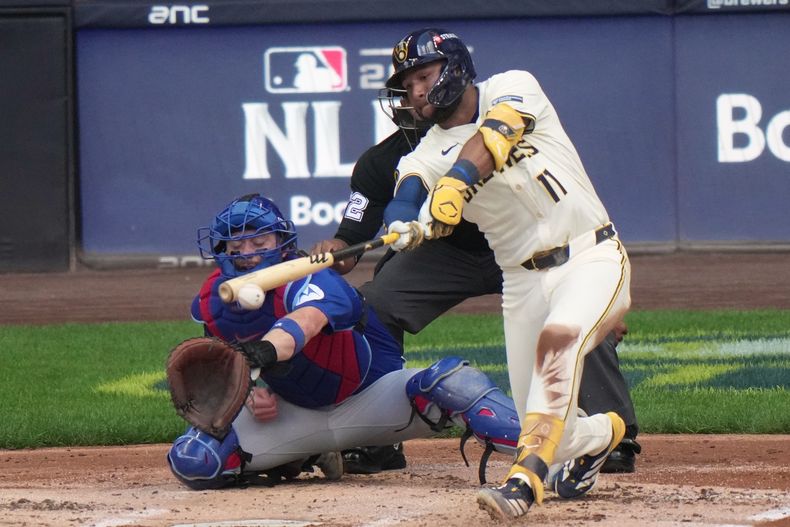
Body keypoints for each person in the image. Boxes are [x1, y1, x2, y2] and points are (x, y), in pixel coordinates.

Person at [312, 84, 640, 476]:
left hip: (525, 246)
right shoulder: (381, 162)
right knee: (376, 305)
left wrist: (600, 298)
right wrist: (331, 250)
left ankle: (612, 438)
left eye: (423, 84)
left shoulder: (496, 118)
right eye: (405, 92)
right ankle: (378, 442)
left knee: (570, 307)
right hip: (446, 255)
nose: (415, 99)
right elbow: (350, 239)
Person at [378, 28, 632, 520]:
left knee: (559, 346)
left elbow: (499, 131)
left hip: (591, 256)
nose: (414, 92)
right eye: (407, 84)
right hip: (521, 283)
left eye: (422, 77)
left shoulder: (514, 84)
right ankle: (602, 434)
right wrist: (402, 223)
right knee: (544, 422)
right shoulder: (427, 151)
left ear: (453, 68)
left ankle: (523, 483)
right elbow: (408, 188)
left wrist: (457, 182)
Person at [166, 193, 523, 489]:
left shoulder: (311, 276)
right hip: (293, 414)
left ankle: (544, 453)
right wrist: (251, 394)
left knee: (454, 384)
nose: (249, 254)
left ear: (281, 243)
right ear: (222, 251)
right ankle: (303, 454)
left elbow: (304, 322)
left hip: (368, 401)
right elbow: (229, 373)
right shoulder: (215, 301)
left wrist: (265, 350)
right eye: (237, 245)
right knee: (194, 461)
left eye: (259, 242)